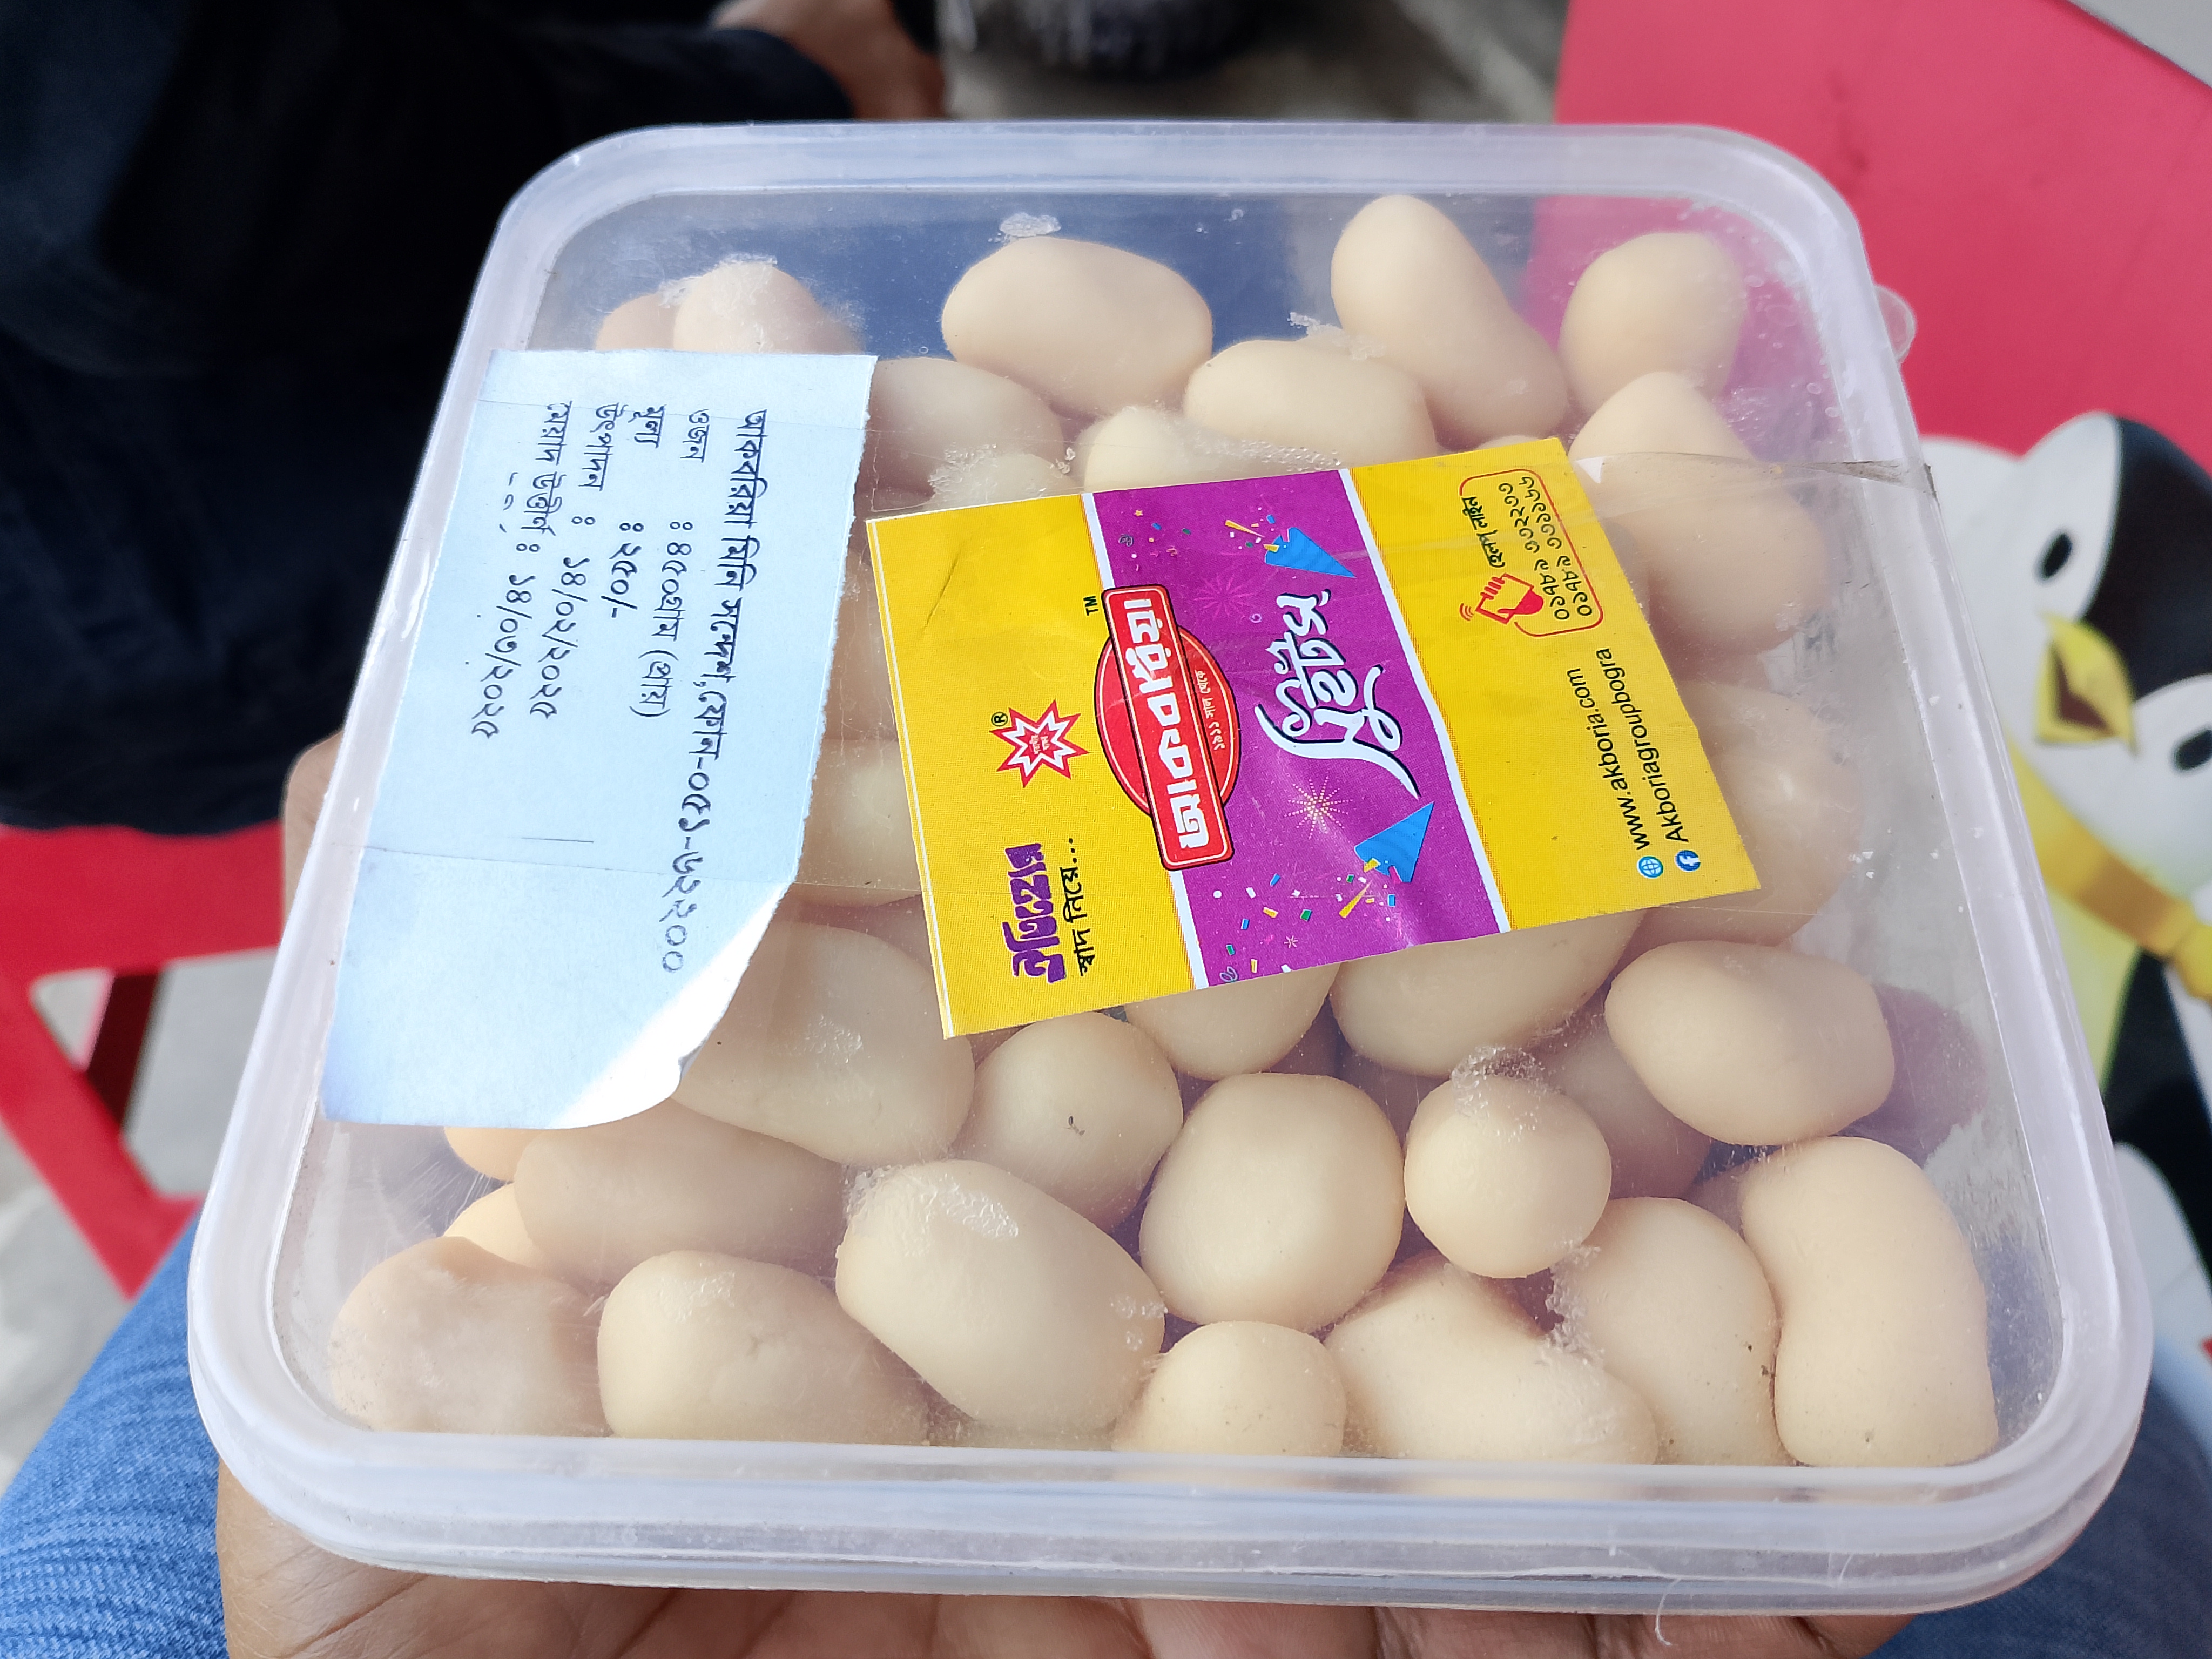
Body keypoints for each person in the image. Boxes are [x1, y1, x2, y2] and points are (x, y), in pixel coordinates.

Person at [0, 0, 939, 835]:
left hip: (159, 589)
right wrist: (760, 103)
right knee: (808, 718)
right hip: (267, 473)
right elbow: (160, 159)